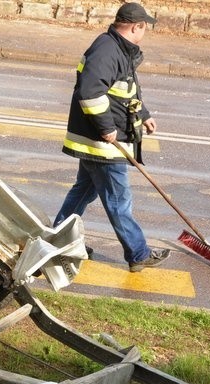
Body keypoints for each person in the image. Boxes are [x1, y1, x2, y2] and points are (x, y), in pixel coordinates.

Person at [53, 2, 170, 273]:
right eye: (145, 28)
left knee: (82, 192)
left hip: (97, 141)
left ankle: (58, 240)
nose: (145, 33)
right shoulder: (107, 50)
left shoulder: (118, 49)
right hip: (102, 144)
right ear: (135, 26)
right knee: (119, 201)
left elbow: (124, 92)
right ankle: (138, 253)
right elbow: (90, 93)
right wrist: (106, 128)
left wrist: (144, 115)